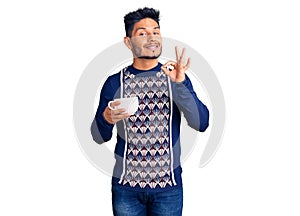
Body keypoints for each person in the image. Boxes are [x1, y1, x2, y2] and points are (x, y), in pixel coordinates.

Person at [91, 7, 209, 216]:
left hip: (168, 190)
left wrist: (180, 85)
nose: (152, 37)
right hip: (126, 189)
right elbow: (98, 137)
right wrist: (106, 118)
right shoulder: (114, 83)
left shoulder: (175, 77)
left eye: (156, 31)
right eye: (142, 33)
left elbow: (201, 123)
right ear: (128, 42)